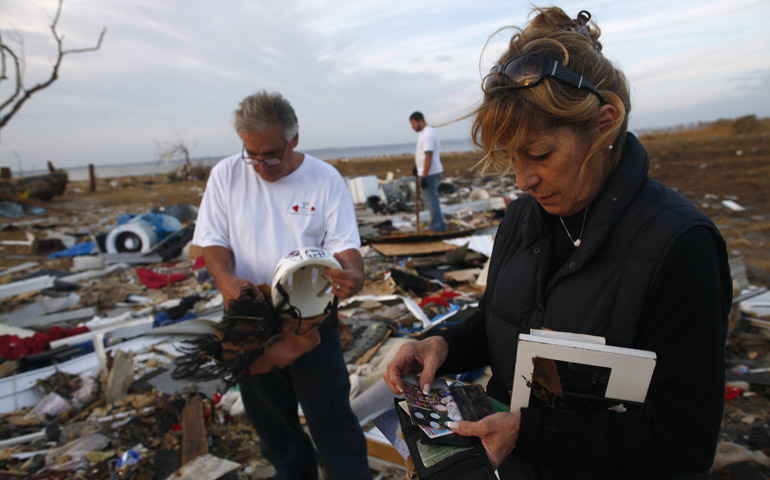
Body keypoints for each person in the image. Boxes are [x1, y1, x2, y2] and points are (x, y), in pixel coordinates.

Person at [385, 7, 731, 479]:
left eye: (541, 154)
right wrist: (444, 344)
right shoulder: (525, 216)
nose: (525, 179)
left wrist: (529, 434)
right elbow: (501, 319)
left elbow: (682, 444)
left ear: (606, 124)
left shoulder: (680, 247)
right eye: (511, 157)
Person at [192, 90, 371, 480]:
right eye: (251, 154)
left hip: (310, 317)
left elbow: (344, 246)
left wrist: (353, 275)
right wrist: (227, 284)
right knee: (273, 428)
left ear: (294, 139)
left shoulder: (324, 178)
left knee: (332, 421)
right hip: (250, 316)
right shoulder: (226, 174)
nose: (259, 165)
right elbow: (212, 242)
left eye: (270, 154)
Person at [410, 111, 447, 232]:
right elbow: (423, 154)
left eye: (414, 123)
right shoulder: (424, 133)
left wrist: (424, 176)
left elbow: (429, 155)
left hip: (430, 173)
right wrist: (417, 166)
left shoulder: (427, 134)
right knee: (432, 200)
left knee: (431, 201)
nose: (413, 127)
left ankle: (436, 228)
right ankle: (441, 226)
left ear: (420, 120)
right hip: (427, 172)